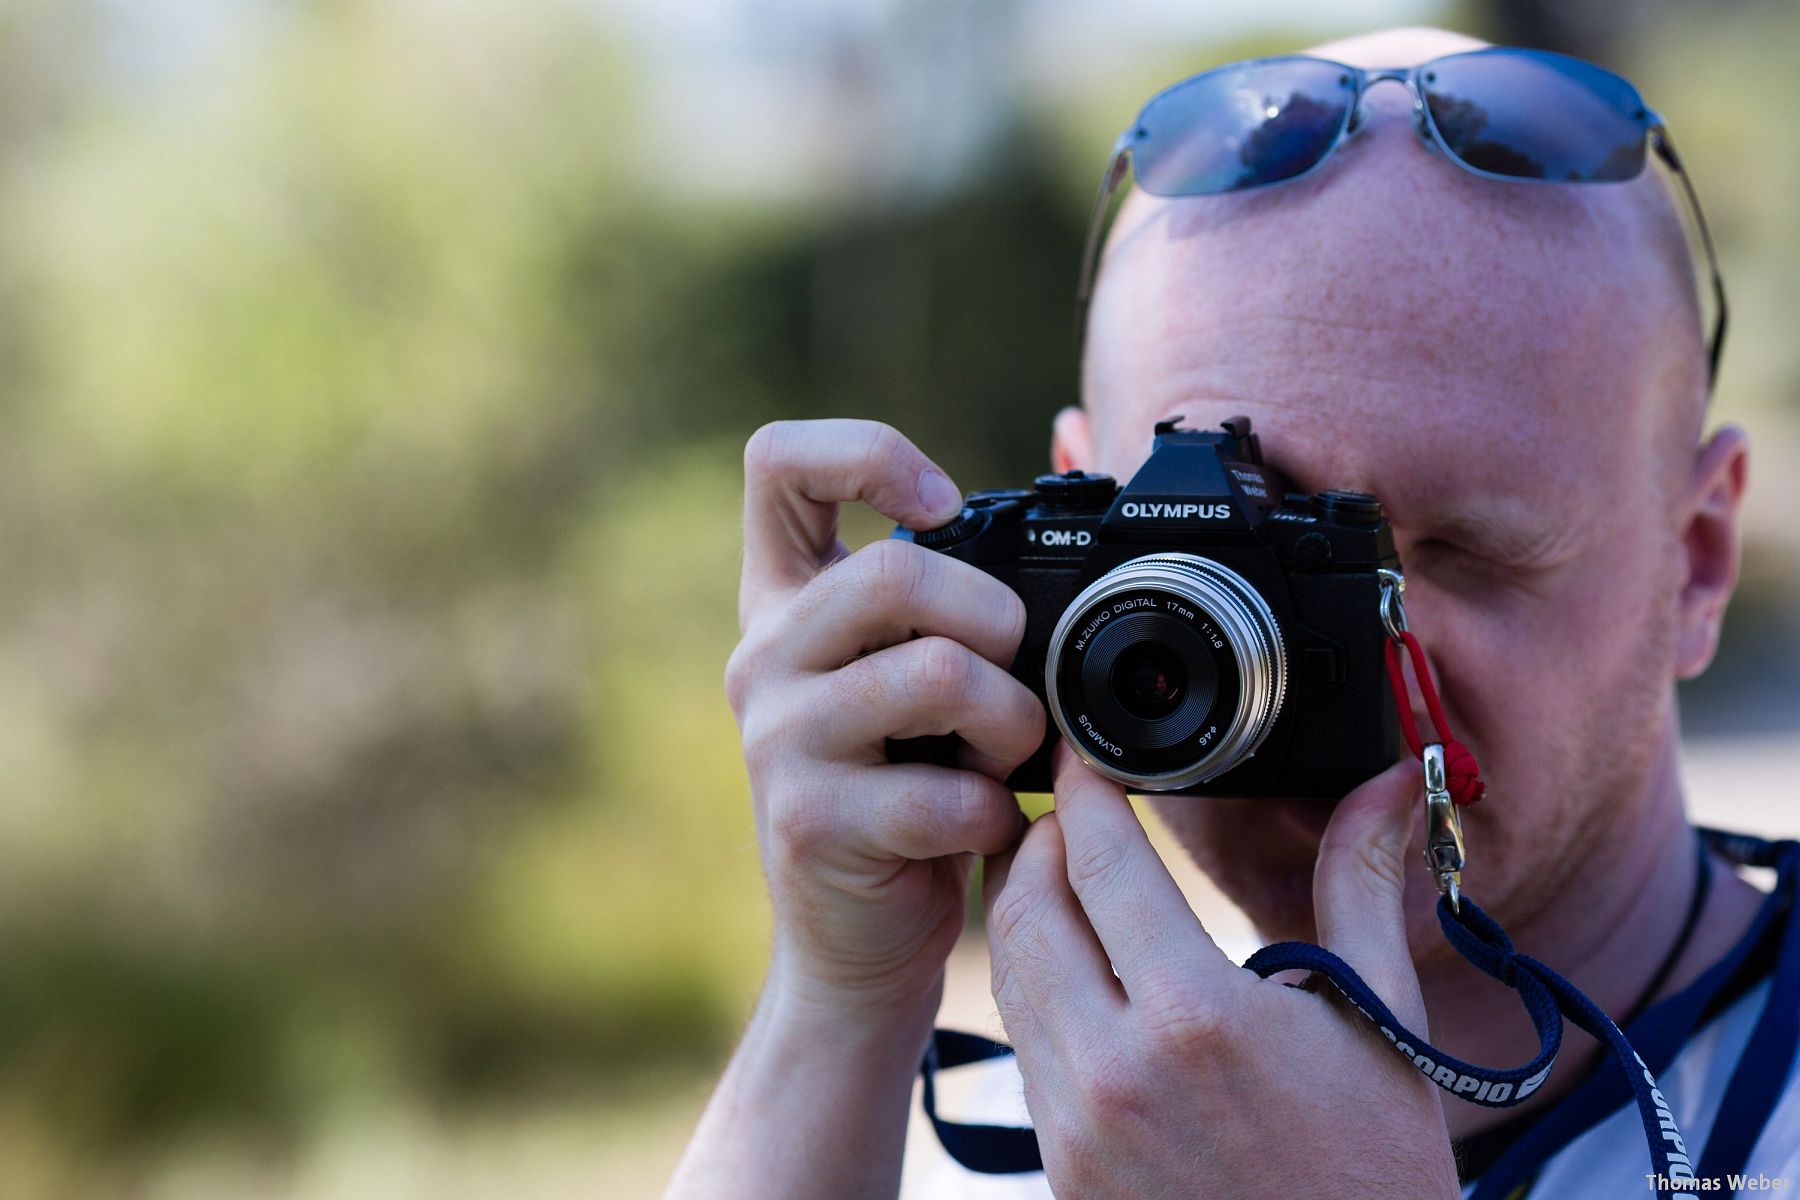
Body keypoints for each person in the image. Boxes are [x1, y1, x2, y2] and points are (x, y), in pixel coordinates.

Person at [666, 25, 1797, 1198]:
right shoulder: (1052, 1115)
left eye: (1460, 554)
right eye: (1234, 557)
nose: (1355, 654)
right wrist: (839, 1006)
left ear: (1699, 559)